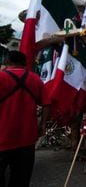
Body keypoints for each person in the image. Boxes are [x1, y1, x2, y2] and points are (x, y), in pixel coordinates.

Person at [0, 51, 50, 187]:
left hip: (2, 138)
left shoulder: (1, 77)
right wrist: (43, 125)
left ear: (7, 61)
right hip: (27, 139)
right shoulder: (35, 79)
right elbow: (46, 104)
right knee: (21, 180)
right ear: (24, 63)